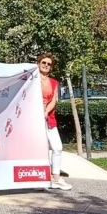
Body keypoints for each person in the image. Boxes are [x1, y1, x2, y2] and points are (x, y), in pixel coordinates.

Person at [38, 53, 72, 191]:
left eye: (49, 64)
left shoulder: (54, 83)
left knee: (57, 147)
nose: (46, 65)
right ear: (39, 63)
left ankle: (56, 178)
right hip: (33, 119)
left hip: (49, 119)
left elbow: (54, 100)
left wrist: (46, 111)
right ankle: (40, 178)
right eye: (44, 62)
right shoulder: (32, 79)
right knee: (40, 149)